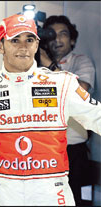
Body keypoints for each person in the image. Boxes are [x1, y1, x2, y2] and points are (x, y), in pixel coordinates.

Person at [0, 14, 101, 206]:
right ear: (0, 46)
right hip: (4, 194)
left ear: (37, 44)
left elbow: (98, 117)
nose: (23, 47)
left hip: (53, 194)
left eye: (29, 40)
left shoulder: (62, 83)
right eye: (15, 40)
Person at [40, 15, 96, 206]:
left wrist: (49, 65)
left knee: (78, 201)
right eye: (51, 34)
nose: (57, 39)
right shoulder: (34, 68)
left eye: (63, 34)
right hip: (42, 151)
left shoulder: (82, 61)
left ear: (72, 39)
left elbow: (79, 92)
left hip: (74, 151)